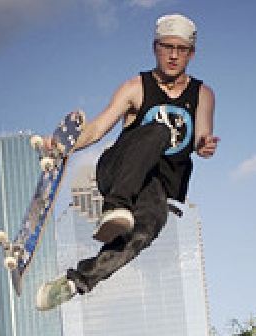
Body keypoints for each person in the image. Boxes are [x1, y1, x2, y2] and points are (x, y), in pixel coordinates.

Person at [35, 13, 218, 311]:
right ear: (155, 48)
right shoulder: (136, 87)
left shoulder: (203, 94)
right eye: (166, 47)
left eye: (181, 49)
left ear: (191, 54)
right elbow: (96, 129)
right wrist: (64, 145)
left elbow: (202, 133)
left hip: (156, 188)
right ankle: (116, 206)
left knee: (143, 232)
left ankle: (73, 283)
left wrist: (203, 145)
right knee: (159, 131)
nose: (173, 55)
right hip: (117, 170)